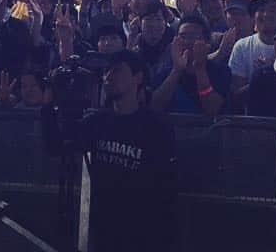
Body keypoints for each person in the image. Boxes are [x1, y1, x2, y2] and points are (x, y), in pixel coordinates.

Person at [43, 49, 177, 251]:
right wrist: (47, 107)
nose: (108, 77)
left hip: (145, 232)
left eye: (117, 71)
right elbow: (56, 146)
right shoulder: (97, 122)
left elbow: (167, 186)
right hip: (105, 228)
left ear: (137, 77)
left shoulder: (156, 127)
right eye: (106, 72)